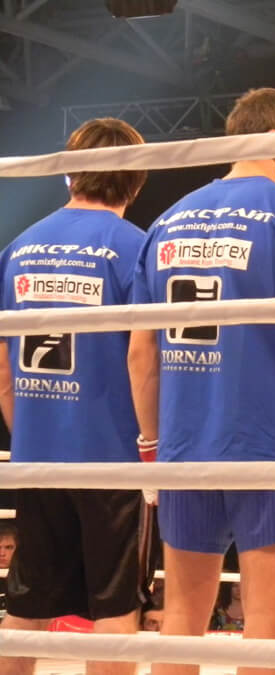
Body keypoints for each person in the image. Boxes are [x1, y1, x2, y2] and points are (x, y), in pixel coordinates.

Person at [127, 88, 275, 675]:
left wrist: (150, 449)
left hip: (183, 450)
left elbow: (141, 353)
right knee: (268, 636)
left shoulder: (168, 220)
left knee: (181, 629)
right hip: (267, 448)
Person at [0, 118, 148, 675]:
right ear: (136, 179)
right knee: (116, 608)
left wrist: (29, 433)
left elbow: (2, 368)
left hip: (36, 456)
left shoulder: (19, 247)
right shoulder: (136, 248)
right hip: (113, 457)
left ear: (69, 173)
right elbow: (144, 360)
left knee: (26, 604)